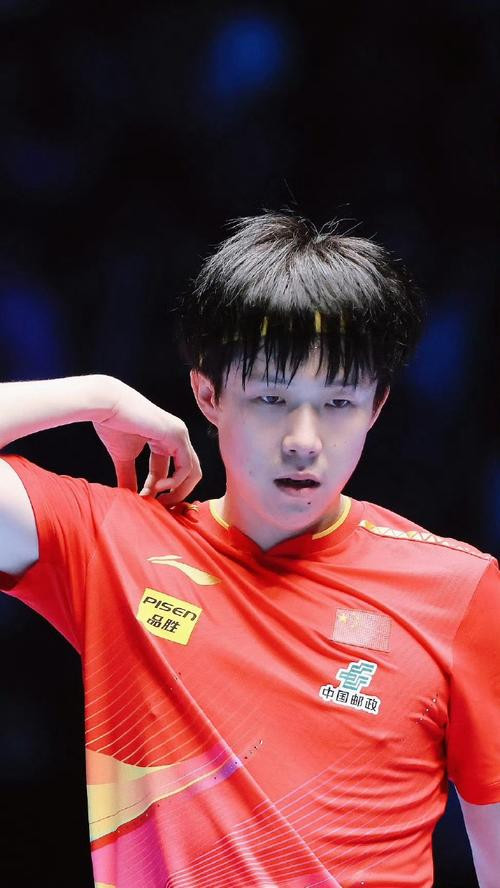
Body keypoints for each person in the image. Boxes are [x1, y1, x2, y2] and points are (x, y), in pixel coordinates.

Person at [0, 211, 498, 888]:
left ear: (377, 407)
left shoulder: (460, 592)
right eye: (270, 397)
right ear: (208, 393)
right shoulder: (115, 543)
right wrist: (98, 395)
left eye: (339, 403)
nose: (303, 440)